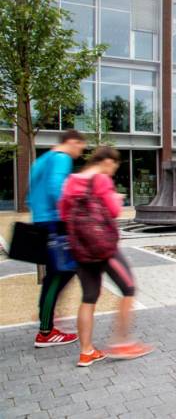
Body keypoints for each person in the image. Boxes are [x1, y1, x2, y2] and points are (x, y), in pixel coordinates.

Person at [59, 146, 153, 367]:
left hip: (81, 248)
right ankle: (121, 342)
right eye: (115, 165)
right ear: (107, 161)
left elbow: (63, 213)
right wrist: (116, 199)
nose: (114, 170)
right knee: (128, 289)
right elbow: (113, 211)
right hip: (103, 247)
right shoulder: (100, 180)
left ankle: (86, 352)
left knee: (88, 297)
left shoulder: (71, 181)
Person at [27, 129, 86, 348]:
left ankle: (47, 315)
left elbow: (30, 193)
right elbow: (56, 190)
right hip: (55, 222)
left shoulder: (43, 159)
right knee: (60, 272)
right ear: (71, 142)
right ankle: (45, 330)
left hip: (43, 220)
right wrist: (73, 216)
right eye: (80, 146)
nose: (80, 152)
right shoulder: (61, 159)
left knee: (60, 272)